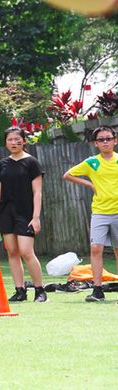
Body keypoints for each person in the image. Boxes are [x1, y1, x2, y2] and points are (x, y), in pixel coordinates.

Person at [0, 127, 47, 303]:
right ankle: (20, 290)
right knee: (12, 252)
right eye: (10, 140)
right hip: (6, 213)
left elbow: (38, 192)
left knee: (26, 252)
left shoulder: (32, 163)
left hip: (26, 213)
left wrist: (35, 217)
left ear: (24, 141)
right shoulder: (2, 164)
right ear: (5, 143)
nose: (14, 143)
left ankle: (40, 290)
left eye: (17, 139)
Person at [63, 126, 118, 302]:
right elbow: (68, 175)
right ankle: (97, 289)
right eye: (101, 139)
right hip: (100, 212)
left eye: (108, 138)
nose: (105, 142)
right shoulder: (92, 162)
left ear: (115, 140)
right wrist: (89, 185)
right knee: (95, 249)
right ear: (96, 144)